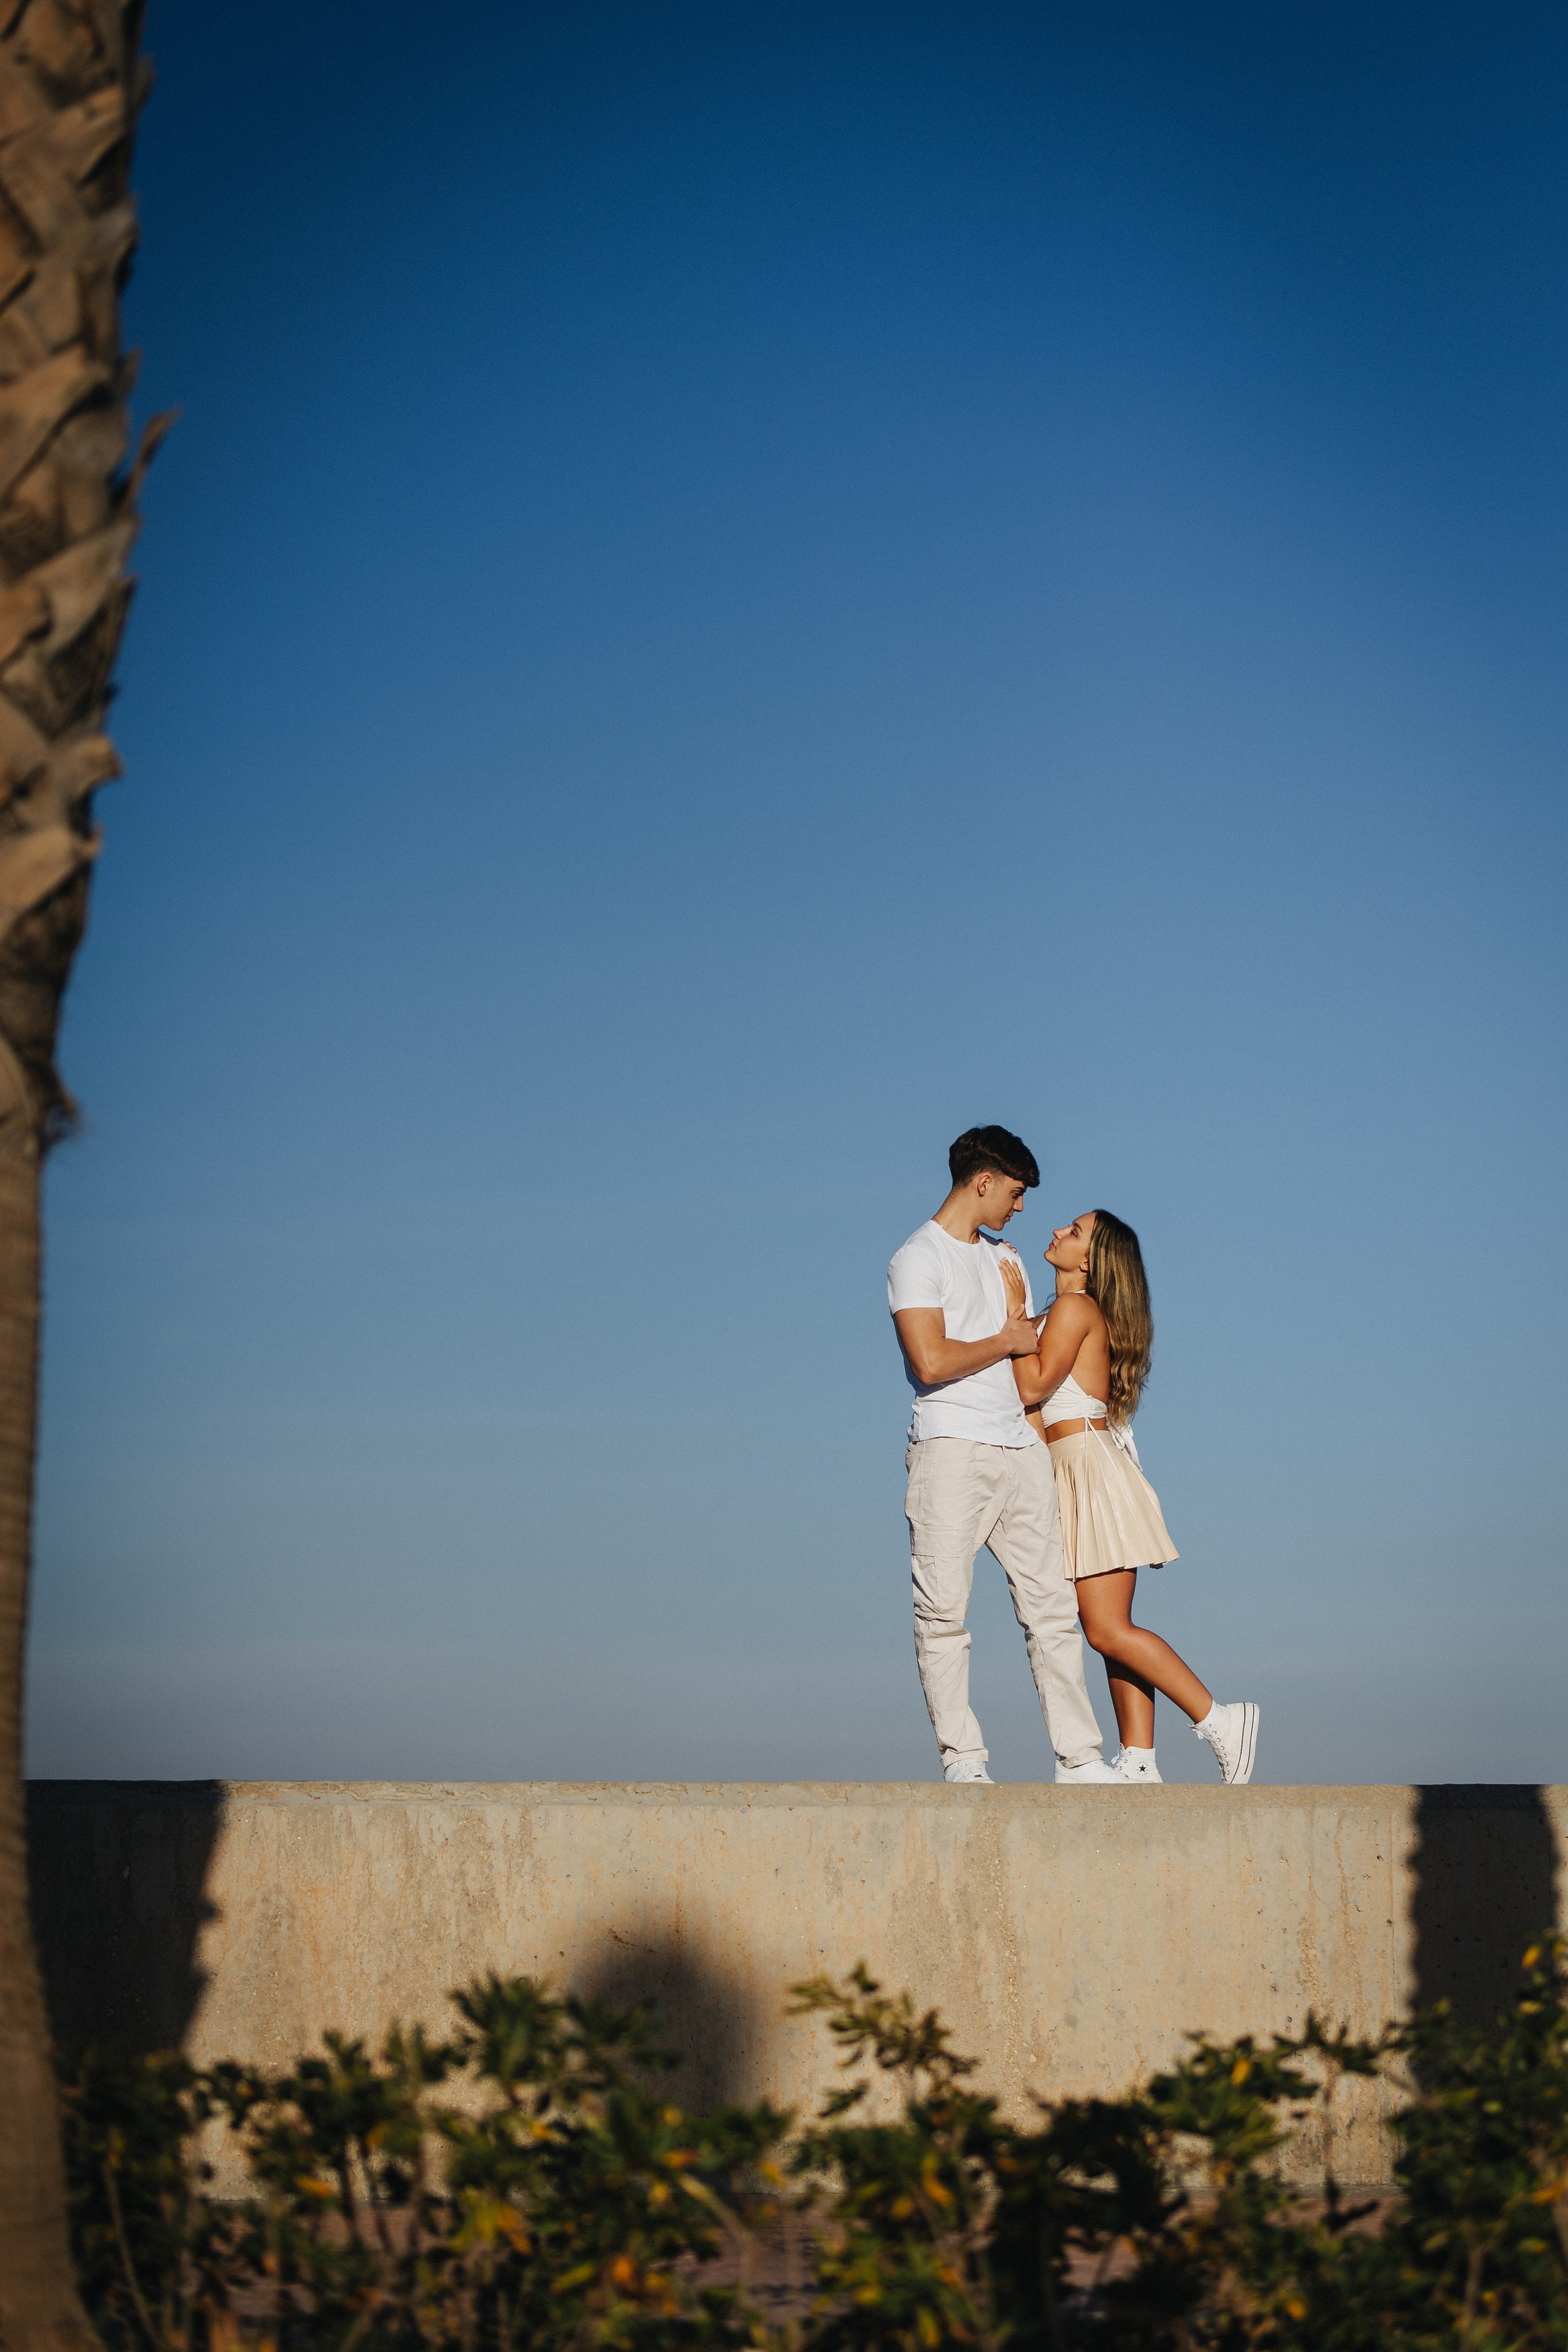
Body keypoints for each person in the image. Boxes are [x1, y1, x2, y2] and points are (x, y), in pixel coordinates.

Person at [888, 1128, 1120, 1786]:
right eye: (1014, 1194)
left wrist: (1018, 1335)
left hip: (1020, 1449)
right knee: (943, 1611)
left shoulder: (1004, 1258)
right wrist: (1006, 1337)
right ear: (982, 1182)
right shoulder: (916, 1258)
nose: (1020, 1208)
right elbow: (929, 1361)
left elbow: (1029, 1359)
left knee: (1052, 1608)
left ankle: (1079, 1759)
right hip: (950, 1448)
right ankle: (963, 1760)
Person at [1002, 1210, 1259, 1786]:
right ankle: (1140, 1759)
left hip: (1089, 1471)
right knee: (1110, 1627)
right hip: (1066, 1472)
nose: (1057, 1232)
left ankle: (1221, 1719)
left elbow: (1032, 1387)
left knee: (1106, 1629)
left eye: (1073, 1233)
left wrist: (1013, 1317)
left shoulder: (1072, 1309)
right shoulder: (1059, 1313)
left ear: (1091, 1261)